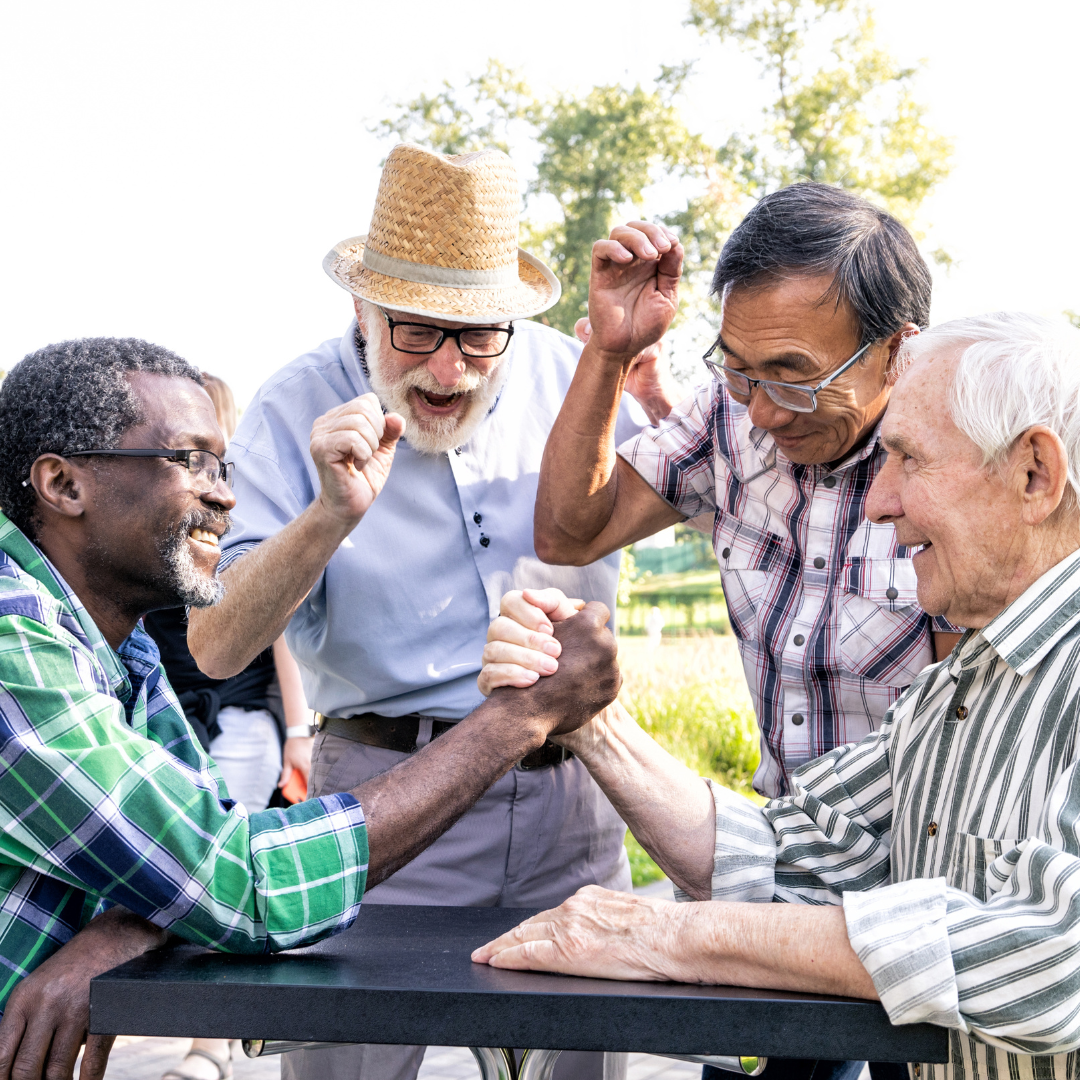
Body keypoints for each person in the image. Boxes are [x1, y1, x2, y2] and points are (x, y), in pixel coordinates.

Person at [477, 312, 1080, 1080]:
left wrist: (668, 938)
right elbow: (791, 858)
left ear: (1034, 473)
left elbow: (1056, 961)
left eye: (907, 460)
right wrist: (589, 716)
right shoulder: (958, 690)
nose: (877, 502)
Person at [0, 337, 621, 1080]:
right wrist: (522, 717)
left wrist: (124, 930)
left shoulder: (118, 649)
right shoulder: (14, 647)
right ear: (64, 485)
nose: (226, 497)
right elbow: (247, 881)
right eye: (189, 461)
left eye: (220, 465)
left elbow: (211, 843)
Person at [186, 143, 678, 1080]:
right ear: (360, 308)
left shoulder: (581, 373)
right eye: (417, 331)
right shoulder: (294, 407)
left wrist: (657, 399)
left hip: (570, 799)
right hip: (387, 799)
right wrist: (329, 517)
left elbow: (715, 495)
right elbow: (214, 646)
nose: (450, 368)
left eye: (479, 334)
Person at [145, 373, 317, 1080]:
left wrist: (301, 732)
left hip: (241, 715)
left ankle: (208, 1044)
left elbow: (279, 630)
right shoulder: (150, 513)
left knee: (224, 873)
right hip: (165, 712)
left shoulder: (235, 507)